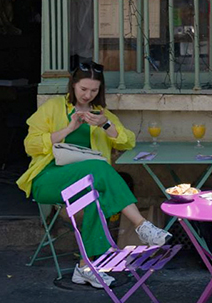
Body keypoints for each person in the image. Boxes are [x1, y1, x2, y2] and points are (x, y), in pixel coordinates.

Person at [17, 61, 170, 287]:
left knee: (93, 199)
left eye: (94, 90)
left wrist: (106, 124)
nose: (88, 95)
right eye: (83, 89)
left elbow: (127, 141)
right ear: (73, 86)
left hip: (85, 185)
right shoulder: (53, 107)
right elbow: (30, 145)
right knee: (98, 167)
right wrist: (68, 129)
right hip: (48, 179)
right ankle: (141, 225)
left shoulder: (101, 114)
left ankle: (85, 267)